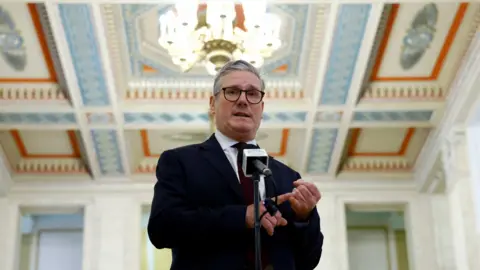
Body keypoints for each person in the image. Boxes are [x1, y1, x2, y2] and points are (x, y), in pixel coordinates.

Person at [147, 60, 323, 270]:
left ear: (262, 107)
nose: (243, 101)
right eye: (232, 92)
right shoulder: (180, 161)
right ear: (212, 104)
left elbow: (308, 261)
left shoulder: (288, 177)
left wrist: (305, 218)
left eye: (253, 93)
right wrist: (241, 216)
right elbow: (161, 229)